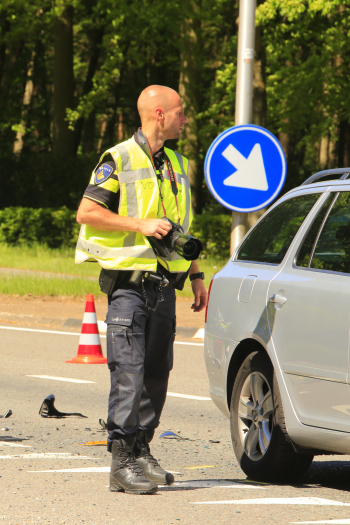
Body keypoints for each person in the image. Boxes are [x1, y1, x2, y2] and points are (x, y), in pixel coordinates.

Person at [75, 85, 208, 495]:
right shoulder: (118, 158)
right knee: (129, 372)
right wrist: (140, 225)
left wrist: (197, 274)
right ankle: (120, 462)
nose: (185, 119)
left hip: (165, 285)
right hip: (129, 286)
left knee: (156, 373)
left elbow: (179, 225)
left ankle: (141, 449)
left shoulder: (176, 163)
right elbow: (87, 212)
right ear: (160, 114)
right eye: (180, 112)